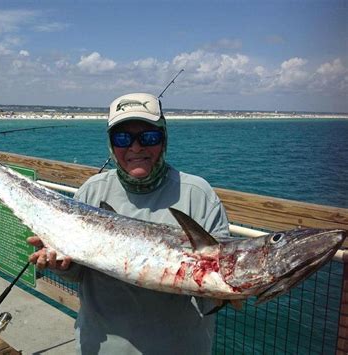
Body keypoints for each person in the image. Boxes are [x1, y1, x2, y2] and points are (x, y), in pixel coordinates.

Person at [28, 93, 231, 354]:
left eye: (149, 137)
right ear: (111, 145)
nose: (136, 148)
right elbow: (79, 272)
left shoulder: (198, 195)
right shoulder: (92, 192)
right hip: (100, 346)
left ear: (164, 138)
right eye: (122, 138)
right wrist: (61, 266)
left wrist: (226, 292)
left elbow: (214, 297)